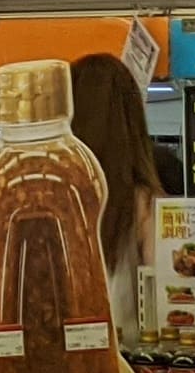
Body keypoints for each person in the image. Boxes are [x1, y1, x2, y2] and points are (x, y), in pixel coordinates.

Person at [67, 50, 164, 322]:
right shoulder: (144, 204)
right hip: (124, 346)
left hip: (51, 346)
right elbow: (169, 300)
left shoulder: (44, 196)